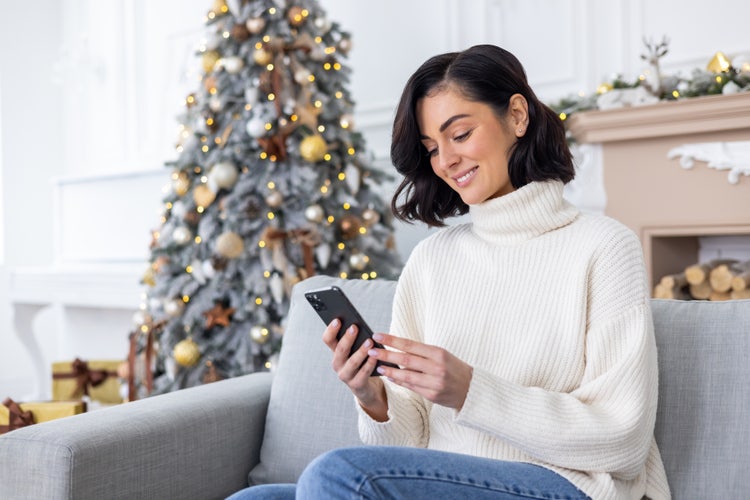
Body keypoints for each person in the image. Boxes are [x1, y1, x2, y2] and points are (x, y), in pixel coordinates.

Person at [228, 44, 671, 500]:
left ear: (517, 116)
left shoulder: (603, 246)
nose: (446, 161)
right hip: (446, 483)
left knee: (340, 475)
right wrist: (373, 397)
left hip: (568, 486)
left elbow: (622, 439)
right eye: (432, 148)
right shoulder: (432, 259)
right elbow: (408, 445)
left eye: (459, 134)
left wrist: (470, 390)